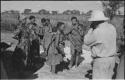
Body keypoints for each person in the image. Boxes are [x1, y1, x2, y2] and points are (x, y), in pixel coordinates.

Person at [83, 10, 117, 79]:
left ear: (95, 21)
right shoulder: (112, 27)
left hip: (101, 61)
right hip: (112, 59)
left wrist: (90, 29)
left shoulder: (97, 31)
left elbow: (86, 41)